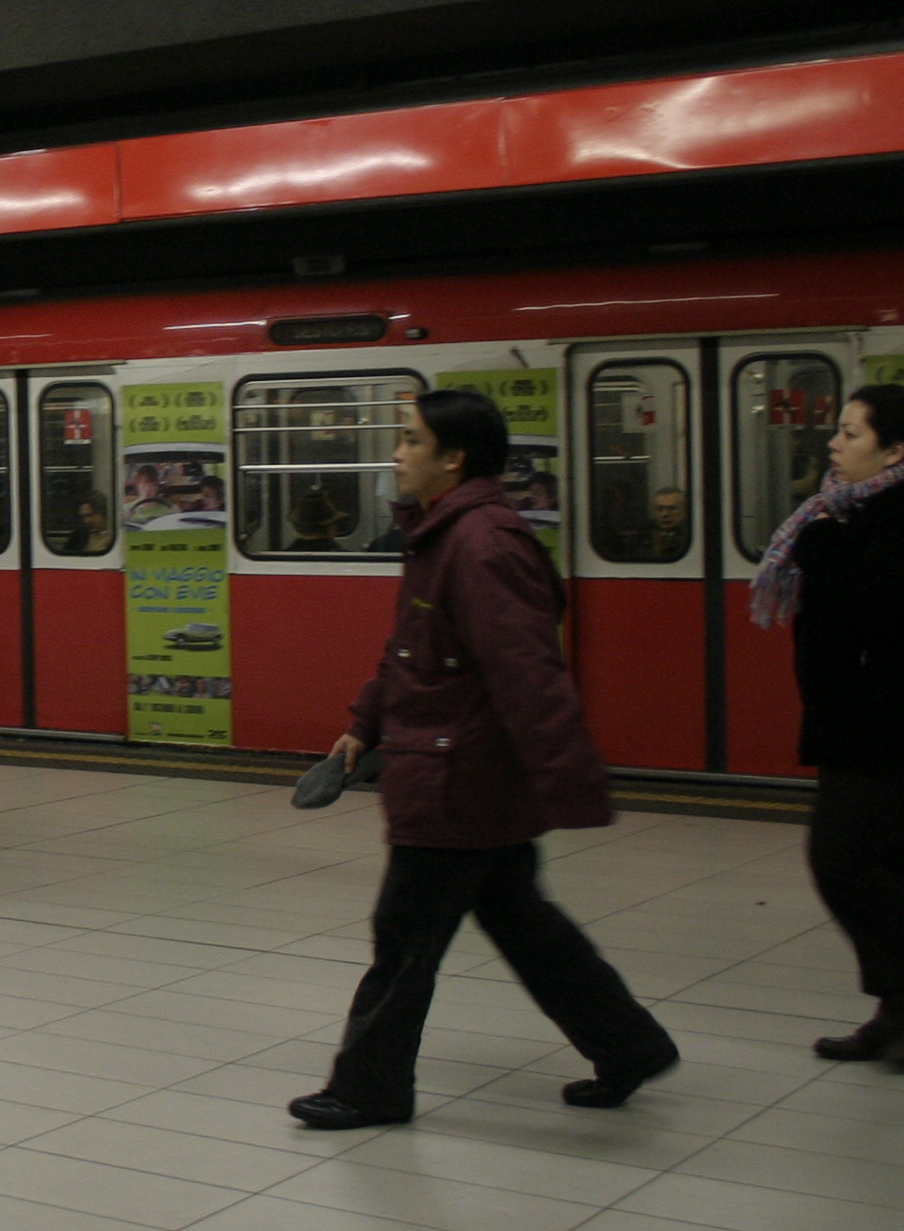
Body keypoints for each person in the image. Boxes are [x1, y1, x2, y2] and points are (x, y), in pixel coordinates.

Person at [290, 388, 678, 1131]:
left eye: (410, 440)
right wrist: (365, 724)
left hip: (455, 780)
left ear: (453, 457)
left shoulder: (480, 545)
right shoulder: (446, 534)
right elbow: (415, 651)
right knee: (527, 925)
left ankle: (369, 1087)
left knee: (403, 940)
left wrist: (569, 781)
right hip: (457, 770)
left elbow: (528, 674)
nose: (397, 454)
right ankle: (628, 1044)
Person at [750, 382, 904, 1067]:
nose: (834, 442)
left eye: (852, 433)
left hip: (900, 724)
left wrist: (822, 545)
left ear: (895, 449)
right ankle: (902, 1009)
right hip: (871, 721)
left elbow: (869, 604)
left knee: (842, 859)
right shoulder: (859, 510)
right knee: (881, 863)